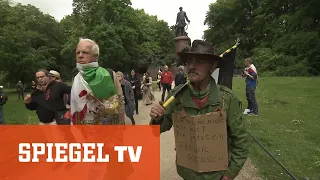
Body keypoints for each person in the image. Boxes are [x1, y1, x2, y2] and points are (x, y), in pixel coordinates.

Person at [149, 40, 248, 180]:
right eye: (188, 62)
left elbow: (241, 144)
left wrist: (229, 175)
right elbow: (156, 131)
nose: (192, 66)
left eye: (200, 61)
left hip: (217, 176)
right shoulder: (176, 97)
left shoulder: (227, 99)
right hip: (187, 174)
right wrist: (158, 118)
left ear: (212, 66)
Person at [70, 38, 125, 125]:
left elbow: (120, 103)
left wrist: (122, 126)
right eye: (78, 52)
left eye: (85, 52)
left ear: (95, 56)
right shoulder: (76, 79)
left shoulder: (108, 74)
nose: (80, 55)